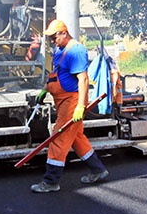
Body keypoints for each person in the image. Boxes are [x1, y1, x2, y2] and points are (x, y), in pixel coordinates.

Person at [30, 19, 108, 193]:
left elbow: (83, 79)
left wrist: (81, 106)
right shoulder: (59, 49)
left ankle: (51, 181)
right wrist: (45, 89)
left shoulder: (76, 50)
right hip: (61, 101)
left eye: (53, 37)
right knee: (77, 137)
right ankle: (98, 170)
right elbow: (55, 73)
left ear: (64, 33)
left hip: (72, 101)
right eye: (49, 38)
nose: (51, 41)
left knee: (59, 138)